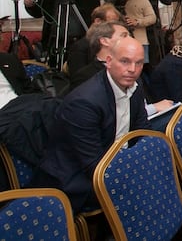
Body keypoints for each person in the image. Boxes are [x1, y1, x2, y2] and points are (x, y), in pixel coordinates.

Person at [31, 37, 151, 211]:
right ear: (108, 61)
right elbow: (93, 165)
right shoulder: (84, 102)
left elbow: (143, 132)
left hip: (116, 162)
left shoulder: (135, 86)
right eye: (125, 61)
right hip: (77, 179)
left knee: (163, 167)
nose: (132, 69)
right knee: (145, 187)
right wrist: (136, 170)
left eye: (138, 63)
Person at [66, 4, 122, 75]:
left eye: (117, 23)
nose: (115, 27)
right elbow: (79, 77)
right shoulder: (80, 48)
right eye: (111, 23)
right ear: (98, 21)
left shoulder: (116, 45)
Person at [123, 0, 157, 64]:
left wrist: (137, 22)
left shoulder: (142, 0)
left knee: (141, 68)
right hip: (121, 42)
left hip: (140, 41)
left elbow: (152, 18)